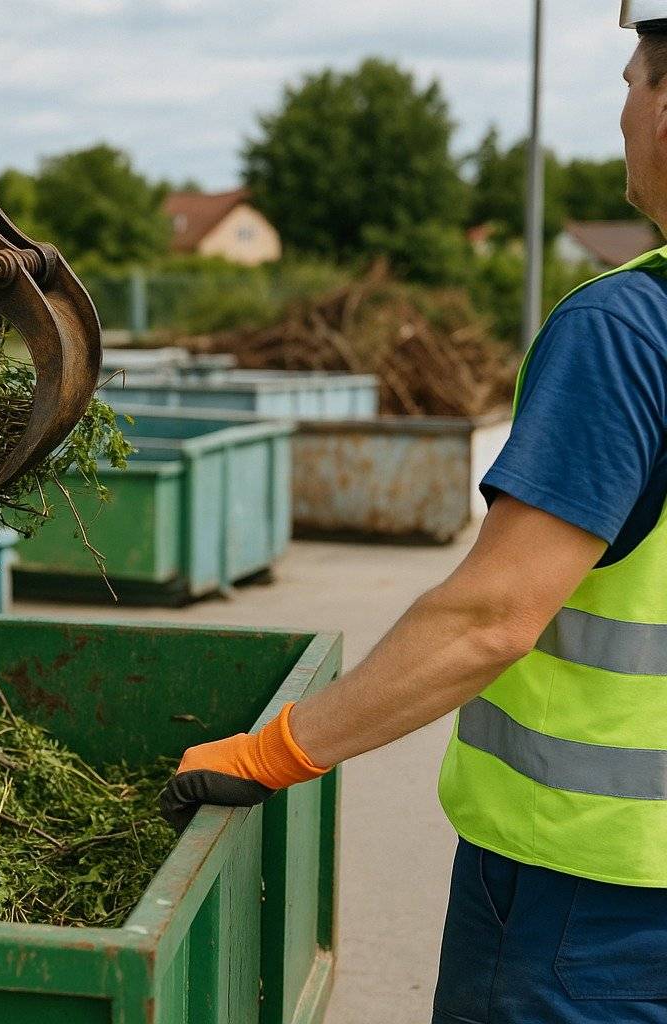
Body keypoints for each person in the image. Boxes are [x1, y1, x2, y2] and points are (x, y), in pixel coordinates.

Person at [160, 6, 667, 1021]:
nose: (618, 114)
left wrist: (278, 747)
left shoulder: (626, 332)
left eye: (629, 81)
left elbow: (488, 618)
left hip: (585, 910)